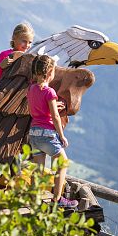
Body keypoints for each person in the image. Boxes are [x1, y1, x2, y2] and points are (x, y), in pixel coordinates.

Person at [26, 55, 79, 208]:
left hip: (33, 132)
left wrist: (51, 107)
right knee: (62, 164)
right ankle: (57, 200)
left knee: (38, 167)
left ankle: (34, 198)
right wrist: (62, 136)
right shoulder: (49, 92)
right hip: (47, 133)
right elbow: (55, 116)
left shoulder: (31, 89)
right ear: (50, 72)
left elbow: (32, 111)